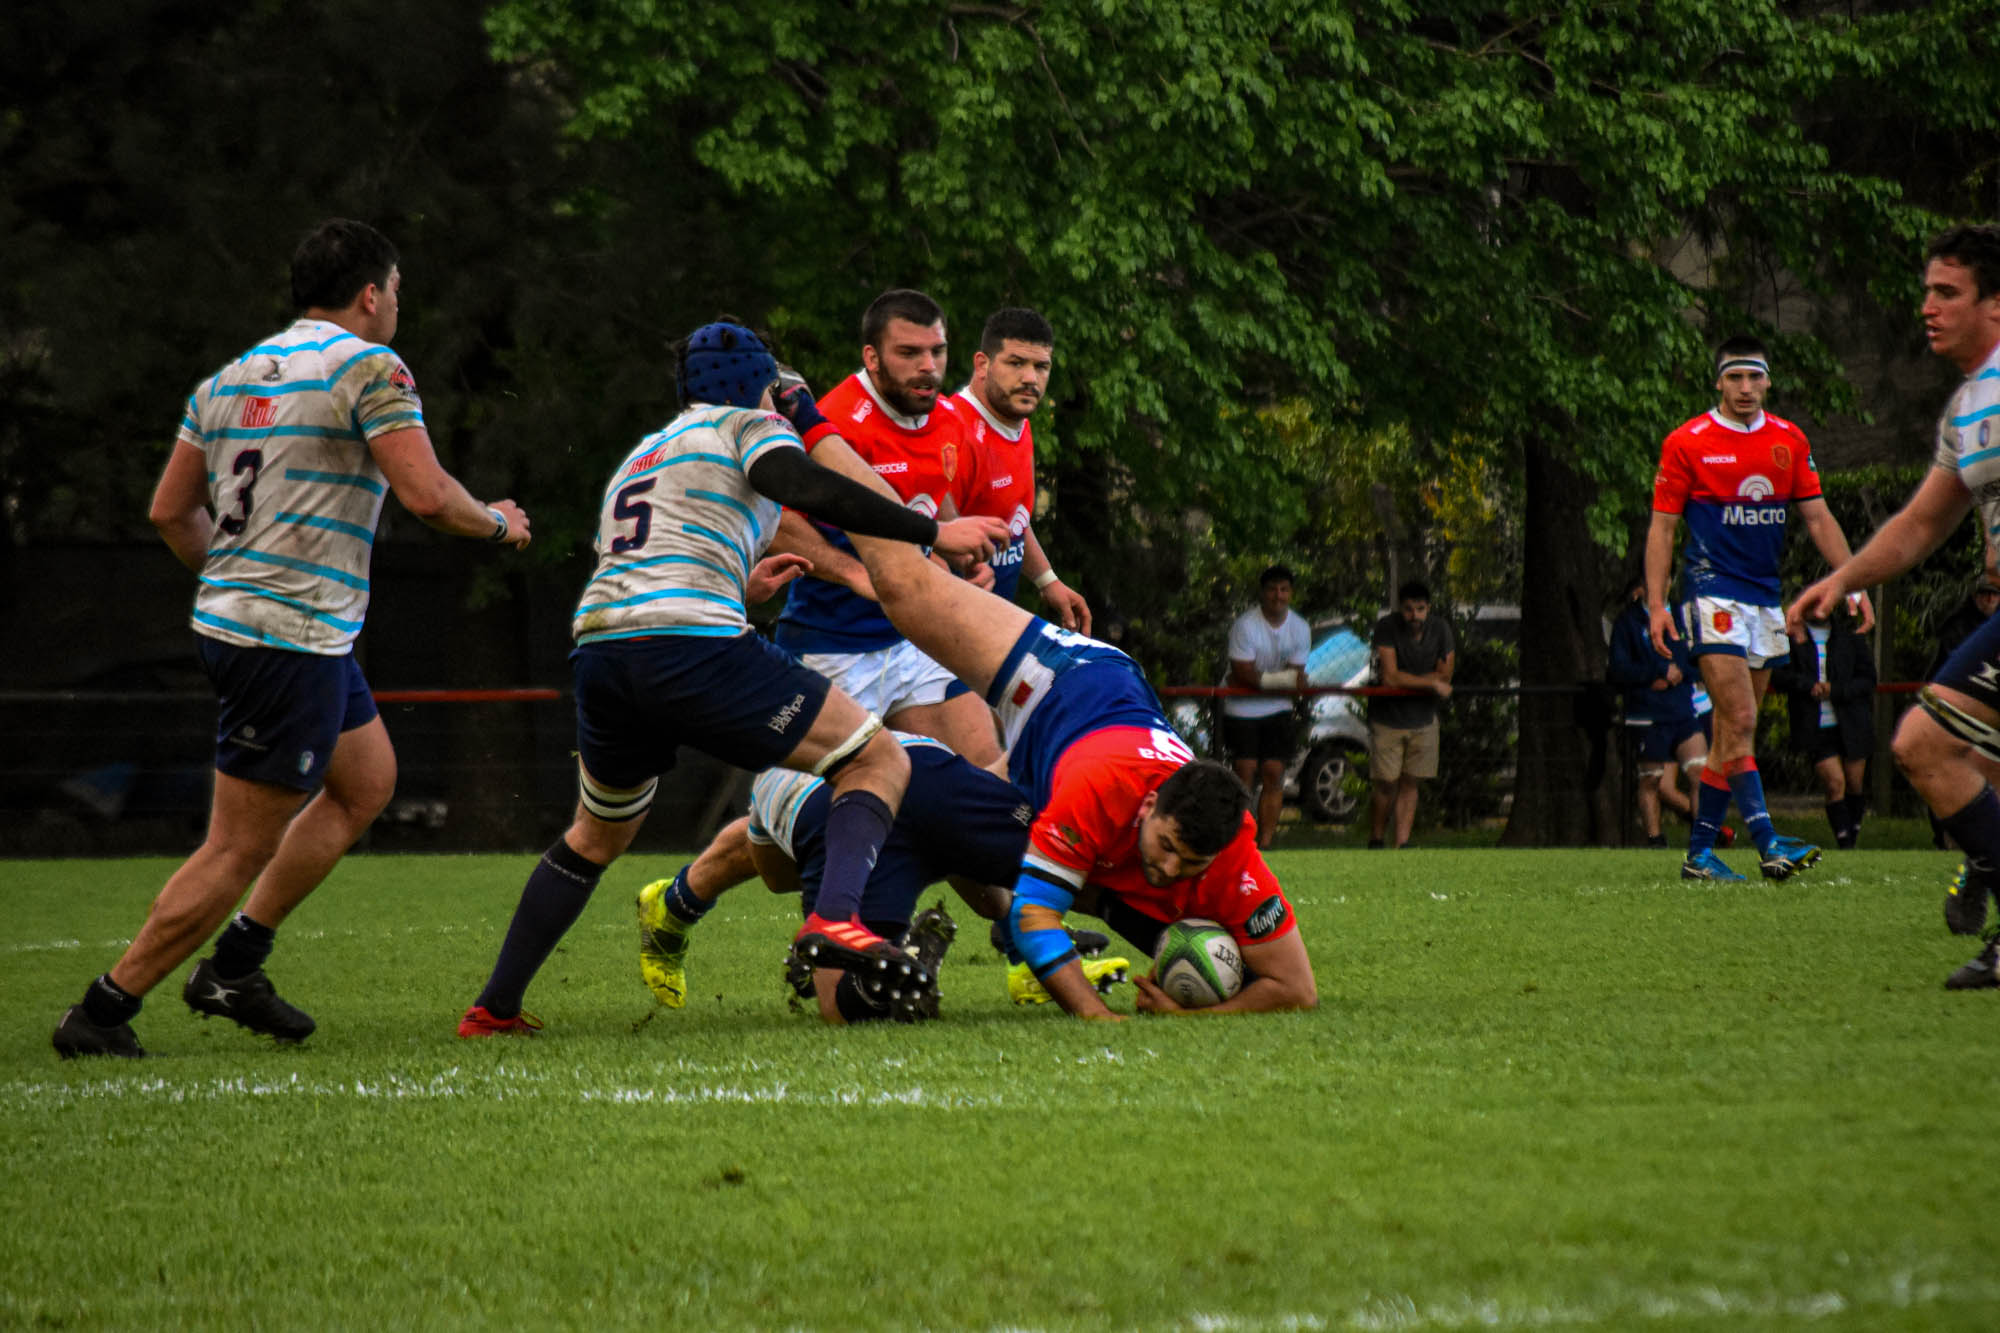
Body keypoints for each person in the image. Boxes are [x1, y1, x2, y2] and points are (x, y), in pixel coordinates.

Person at [51, 219, 534, 1058]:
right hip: (290, 636)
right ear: (372, 293)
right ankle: (103, 1008)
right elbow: (426, 495)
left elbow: (171, 510)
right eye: (397, 291)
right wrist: (498, 524)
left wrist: (232, 580)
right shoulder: (371, 367)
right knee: (238, 842)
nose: (397, 308)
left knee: (366, 782)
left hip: (268, 628)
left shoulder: (230, 378)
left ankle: (236, 965)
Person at [455, 321, 1008, 1036]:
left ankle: (493, 1006)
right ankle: (836, 921)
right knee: (875, 757)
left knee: (595, 834)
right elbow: (805, 482)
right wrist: (926, 532)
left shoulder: (646, 453)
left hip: (602, 648)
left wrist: (740, 588)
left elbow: (653, 560)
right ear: (760, 385)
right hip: (689, 642)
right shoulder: (747, 424)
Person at [790, 418, 1319, 1019]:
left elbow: (1295, 989)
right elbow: (1036, 914)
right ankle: (811, 422)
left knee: (977, 866)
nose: (1169, 869)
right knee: (905, 586)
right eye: (1167, 846)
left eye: (1188, 863)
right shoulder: (1098, 791)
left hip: (1081, 743)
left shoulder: (1233, 856)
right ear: (1149, 809)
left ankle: (810, 871)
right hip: (1062, 682)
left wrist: (1192, 1017)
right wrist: (1099, 1017)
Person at [1791, 223, 2000, 986]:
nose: (1928, 307)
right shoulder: (1971, 409)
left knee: (1922, 743)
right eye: (1927, 292)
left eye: (1948, 293)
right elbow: (1919, 523)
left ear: (1995, 305)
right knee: (1972, 754)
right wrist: (1842, 577)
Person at [634, 733, 1132, 1023]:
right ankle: (675, 906)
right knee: (774, 873)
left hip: (910, 765)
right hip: (821, 783)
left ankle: (1027, 950)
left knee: (976, 856)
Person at [1646, 334, 1872, 882]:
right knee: (1742, 717)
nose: (1745, 388)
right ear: (1718, 382)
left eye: (1754, 377)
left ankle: (1699, 856)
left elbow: (1818, 518)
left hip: (1763, 600)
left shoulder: (1789, 440)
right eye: (1734, 378)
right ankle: (1769, 841)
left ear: (1768, 381)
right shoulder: (1687, 441)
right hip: (1710, 592)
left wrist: (1854, 584)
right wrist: (1656, 604)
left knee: (1731, 733)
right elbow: (1664, 526)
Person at [769, 289, 1003, 768]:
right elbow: (775, 524)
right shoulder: (829, 423)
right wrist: (857, 573)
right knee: (787, 828)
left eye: (937, 352)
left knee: (986, 778)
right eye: (909, 353)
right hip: (833, 647)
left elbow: (931, 506)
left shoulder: (948, 421)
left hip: (915, 635)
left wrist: (958, 556)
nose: (928, 367)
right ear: (872, 357)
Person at [953, 307, 1091, 633]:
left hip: (990, 627)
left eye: (1041, 366)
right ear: (982, 364)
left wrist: (1048, 581)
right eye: (1016, 363)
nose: (1030, 378)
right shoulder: (953, 433)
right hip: (945, 636)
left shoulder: (1017, 423)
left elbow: (1014, 520)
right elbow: (918, 546)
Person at [1606, 578, 1723, 848]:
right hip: (1647, 712)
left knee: (1699, 774)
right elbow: (1619, 670)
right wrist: (1655, 674)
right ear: (1641, 586)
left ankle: (1703, 840)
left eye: (1665, 578)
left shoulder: (1681, 617)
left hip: (1682, 709)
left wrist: (1679, 674)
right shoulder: (1629, 623)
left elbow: (1696, 660)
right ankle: (1655, 841)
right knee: (1651, 781)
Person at [1772, 602, 1877, 849]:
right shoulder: (1793, 637)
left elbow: (1868, 680)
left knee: (1854, 783)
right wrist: (1807, 685)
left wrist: (1836, 691)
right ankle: (1844, 841)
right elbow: (1778, 676)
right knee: (1834, 782)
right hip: (1815, 723)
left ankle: (1852, 834)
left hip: (1851, 721)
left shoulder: (1850, 638)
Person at [1224, 565, 1311, 849]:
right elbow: (1241, 673)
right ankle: (1238, 840)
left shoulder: (1300, 627)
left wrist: (1266, 680)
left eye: (1284, 589)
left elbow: (1295, 675)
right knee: (1244, 771)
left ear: (1290, 593)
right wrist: (1283, 680)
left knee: (1274, 772)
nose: (1278, 595)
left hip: (1278, 709)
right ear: (1263, 593)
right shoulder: (1245, 626)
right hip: (1242, 709)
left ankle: (1265, 842)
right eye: (1273, 589)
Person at [1367, 581, 1455, 849]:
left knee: (1410, 782)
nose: (1414, 616)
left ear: (1428, 608)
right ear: (1399, 609)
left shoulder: (1441, 629)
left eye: (1420, 609)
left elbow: (1446, 675)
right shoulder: (1387, 628)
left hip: (1424, 719)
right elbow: (1390, 678)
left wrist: (1411, 680)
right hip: (1387, 718)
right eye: (1408, 609)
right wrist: (1429, 683)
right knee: (1386, 782)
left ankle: (1402, 843)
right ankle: (1376, 839)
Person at [1925, 575, 2000, 849]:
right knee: (1952, 775)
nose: (1990, 599)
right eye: (1985, 594)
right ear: (1975, 597)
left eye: (1995, 594)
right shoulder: (1958, 628)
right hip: (1959, 711)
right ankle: (1950, 839)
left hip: (1987, 713)